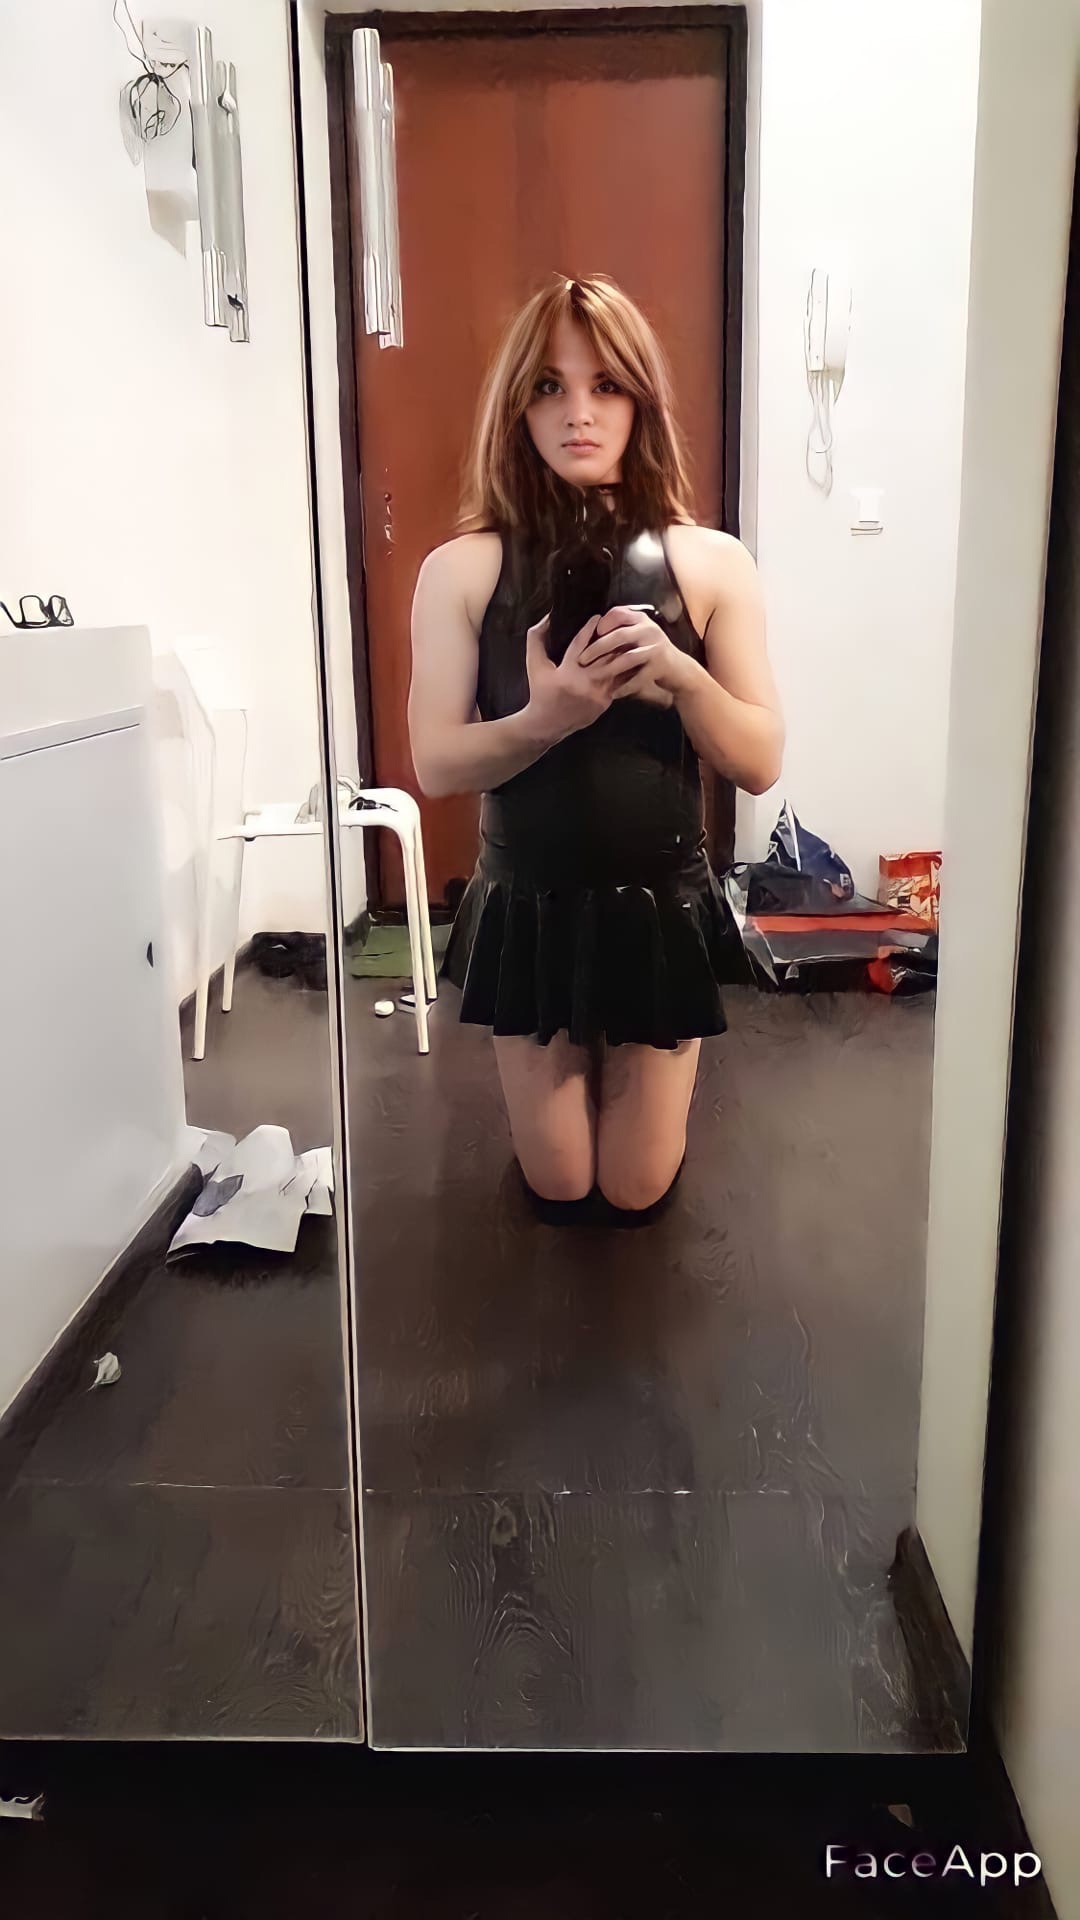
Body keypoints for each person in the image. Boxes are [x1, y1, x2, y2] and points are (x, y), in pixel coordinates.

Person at [408, 273, 783, 1219]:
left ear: (641, 399)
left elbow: (759, 761)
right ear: (516, 405)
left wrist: (685, 678)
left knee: (634, 1184)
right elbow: (436, 764)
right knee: (562, 1179)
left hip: (661, 902)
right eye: (549, 386)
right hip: (528, 902)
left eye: (606, 384)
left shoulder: (712, 562)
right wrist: (550, 717)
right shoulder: (461, 569)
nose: (578, 412)